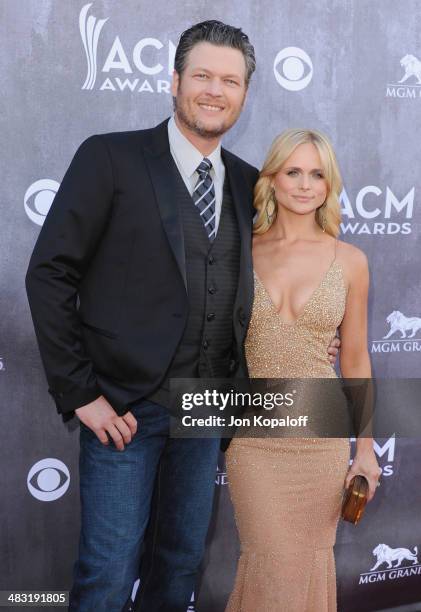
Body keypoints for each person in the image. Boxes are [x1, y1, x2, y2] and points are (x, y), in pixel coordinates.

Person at [25, 21, 339, 612]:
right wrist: (80, 392)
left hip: (209, 411)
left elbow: (282, 275)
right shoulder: (110, 157)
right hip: (121, 409)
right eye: (202, 76)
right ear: (174, 81)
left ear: (246, 94)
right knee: (109, 572)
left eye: (230, 80)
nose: (215, 91)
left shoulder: (251, 184)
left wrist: (312, 332)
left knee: (179, 567)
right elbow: (49, 274)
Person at [225, 129, 382, 612]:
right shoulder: (237, 253)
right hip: (253, 442)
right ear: (271, 179)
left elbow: (355, 358)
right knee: (269, 560)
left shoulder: (350, 261)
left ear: (329, 185)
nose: (305, 184)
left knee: (308, 564)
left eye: (317, 174)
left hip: (321, 442)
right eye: (293, 172)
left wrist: (367, 450)